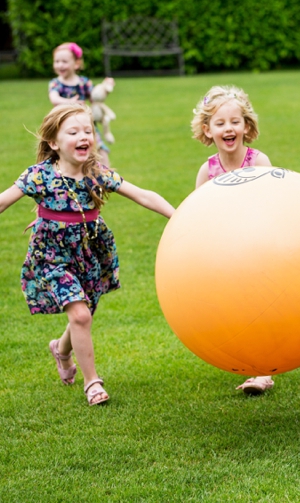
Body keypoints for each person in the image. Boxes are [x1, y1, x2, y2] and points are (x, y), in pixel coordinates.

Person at [0, 103, 175, 405]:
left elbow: (142, 195)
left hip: (90, 252)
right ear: (54, 143)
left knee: (84, 313)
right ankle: (92, 383)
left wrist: (179, 216)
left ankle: (61, 349)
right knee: (80, 315)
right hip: (52, 257)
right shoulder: (38, 176)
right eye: (73, 132)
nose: (84, 136)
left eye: (88, 130)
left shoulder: (97, 174)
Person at [191, 85, 275, 395]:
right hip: (224, 253)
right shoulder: (207, 170)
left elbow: (275, 205)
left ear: (246, 126)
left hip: (257, 247)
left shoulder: (258, 161)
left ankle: (263, 372)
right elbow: (197, 214)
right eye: (220, 123)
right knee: (236, 309)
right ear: (207, 129)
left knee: (262, 306)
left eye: (235, 121)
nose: (229, 128)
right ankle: (248, 362)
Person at [48, 42, 114, 167]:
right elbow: (54, 98)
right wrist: (70, 102)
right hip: (64, 126)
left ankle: (107, 178)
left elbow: (95, 98)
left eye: (64, 61)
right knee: (61, 153)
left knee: (99, 149)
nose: (60, 65)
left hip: (85, 125)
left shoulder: (84, 82)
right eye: (57, 61)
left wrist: (105, 87)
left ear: (76, 64)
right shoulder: (55, 83)